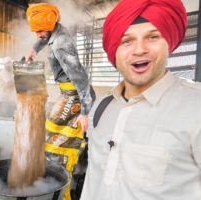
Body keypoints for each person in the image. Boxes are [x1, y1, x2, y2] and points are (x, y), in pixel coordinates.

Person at [80, 0, 201, 199]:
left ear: (168, 44)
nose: (139, 50)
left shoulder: (196, 107)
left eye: (152, 37)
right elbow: (94, 182)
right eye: (127, 41)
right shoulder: (101, 106)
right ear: (115, 51)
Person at [26, 3, 94, 200]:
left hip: (75, 96)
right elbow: (44, 37)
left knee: (55, 145)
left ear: (50, 24)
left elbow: (81, 79)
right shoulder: (53, 29)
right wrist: (33, 50)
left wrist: (84, 112)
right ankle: (56, 175)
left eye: (40, 30)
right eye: (35, 31)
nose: (38, 34)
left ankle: (62, 189)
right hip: (67, 94)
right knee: (50, 132)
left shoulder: (62, 45)